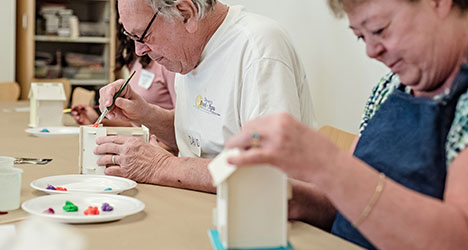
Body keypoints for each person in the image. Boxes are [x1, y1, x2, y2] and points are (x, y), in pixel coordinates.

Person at [225, 0, 468, 249]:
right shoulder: (390, 88)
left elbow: (459, 238)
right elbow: (344, 205)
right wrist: (283, 197)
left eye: (378, 30)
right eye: (361, 38)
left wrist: (325, 161)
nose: (371, 51)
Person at [95, 0, 316, 192]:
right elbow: (199, 136)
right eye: (130, 35)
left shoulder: (259, 47)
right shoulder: (189, 50)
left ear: (185, 13)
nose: (139, 51)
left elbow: (267, 170)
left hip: (255, 217)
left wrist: (160, 166)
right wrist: (146, 114)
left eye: (142, 36)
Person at [71, 19, 175, 126]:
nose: (121, 21)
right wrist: (97, 120)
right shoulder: (137, 61)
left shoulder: (169, 64)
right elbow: (134, 124)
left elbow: (181, 127)